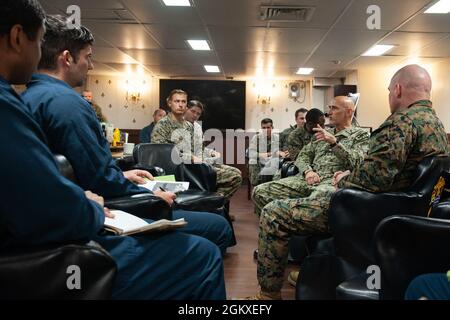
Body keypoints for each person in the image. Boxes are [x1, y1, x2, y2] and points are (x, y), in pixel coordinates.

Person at [1, 0, 225, 300]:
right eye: (38, 41)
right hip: (67, 246)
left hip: (44, 235)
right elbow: (86, 187)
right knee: (206, 252)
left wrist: (102, 187)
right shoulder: (64, 103)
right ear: (18, 38)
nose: (91, 65)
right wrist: (107, 201)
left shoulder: (28, 97)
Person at [246, 96, 370, 299]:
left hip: (332, 184)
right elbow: (302, 156)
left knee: (296, 207)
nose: (329, 112)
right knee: (260, 192)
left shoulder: (361, 135)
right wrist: (307, 171)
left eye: (334, 108)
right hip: (307, 180)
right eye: (328, 107)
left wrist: (335, 143)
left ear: (349, 111)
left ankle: (295, 262)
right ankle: (278, 250)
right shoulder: (320, 133)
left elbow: (360, 164)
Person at [335, 64, 449, 192]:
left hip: (390, 204)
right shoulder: (436, 123)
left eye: (389, 91)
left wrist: (342, 179)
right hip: (422, 207)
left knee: (317, 202)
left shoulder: (401, 123)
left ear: (397, 89)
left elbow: (373, 178)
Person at [152, 90, 242, 200]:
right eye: (177, 101)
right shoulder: (162, 125)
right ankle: (212, 204)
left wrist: (208, 157)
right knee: (234, 177)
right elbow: (162, 155)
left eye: (183, 101)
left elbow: (198, 149)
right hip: (181, 170)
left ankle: (212, 204)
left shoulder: (188, 126)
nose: (180, 104)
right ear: (169, 103)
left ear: (186, 105)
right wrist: (191, 157)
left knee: (237, 172)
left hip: (197, 166)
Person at [248, 118, 289, 186]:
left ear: (272, 128)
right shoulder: (256, 138)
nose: (266, 130)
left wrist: (280, 153)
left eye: (268, 127)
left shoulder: (277, 138)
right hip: (260, 162)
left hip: (273, 163)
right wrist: (267, 154)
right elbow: (251, 153)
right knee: (252, 160)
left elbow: (282, 152)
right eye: (263, 128)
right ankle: (257, 184)